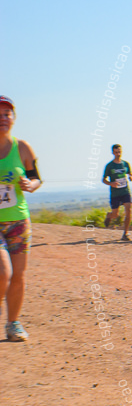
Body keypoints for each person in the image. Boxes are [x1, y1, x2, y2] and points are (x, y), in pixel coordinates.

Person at [0, 96, 43, 342]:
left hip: (19, 221)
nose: (3, 118)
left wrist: (30, 184)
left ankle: (13, 324)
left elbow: (37, 178)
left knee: (18, 275)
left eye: (7, 114)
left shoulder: (23, 148)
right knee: (3, 272)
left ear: (13, 119)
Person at [102, 144, 132, 240]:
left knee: (128, 210)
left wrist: (131, 177)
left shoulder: (125, 164)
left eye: (119, 152)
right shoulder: (109, 166)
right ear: (112, 153)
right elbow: (104, 179)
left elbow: (130, 173)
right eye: (116, 152)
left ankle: (126, 233)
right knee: (115, 215)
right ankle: (109, 215)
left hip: (125, 191)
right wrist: (111, 183)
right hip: (115, 193)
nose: (118, 154)